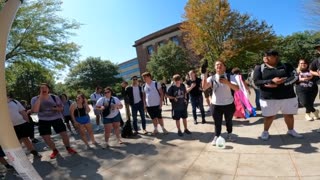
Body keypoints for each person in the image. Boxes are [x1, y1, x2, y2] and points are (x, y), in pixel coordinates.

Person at [253, 50, 303, 140]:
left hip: (288, 96)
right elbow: (256, 81)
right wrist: (271, 81)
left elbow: (295, 77)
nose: (265, 57)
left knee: (289, 115)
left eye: (268, 55)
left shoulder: (286, 66)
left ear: (276, 57)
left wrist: (282, 84)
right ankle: (265, 132)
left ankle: (291, 130)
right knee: (269, 116)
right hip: (269, 98)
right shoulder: (259, 68)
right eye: (264, 55)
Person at [31, 83, 77, 159]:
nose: (44, 89)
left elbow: (61, 108)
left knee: (64, 134)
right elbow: (35, 111)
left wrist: (56, 109)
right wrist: (40, 98)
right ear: (39, 90)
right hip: (43, 120)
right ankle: (54, 150)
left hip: (56, 118)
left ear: (48, 89)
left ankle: (68, 148)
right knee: (46, 138)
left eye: (45, 87)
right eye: (41, 88)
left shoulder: (54, 97)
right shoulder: (34, 99)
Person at [202, 60, 239, 145]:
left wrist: (227, 82)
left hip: (229, 104)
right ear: (215, 67)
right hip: (216, 105)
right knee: (217, 122)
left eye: (220, 64)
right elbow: (204, 87)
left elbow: (237, 89)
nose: (219, 66)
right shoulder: (212, 78)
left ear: (224, 67)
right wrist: (204, 74)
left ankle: (229, 134)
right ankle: (217, 136)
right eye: (217, 65)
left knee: (228, 121)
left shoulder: (230, 77)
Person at [7, 94, 41, 158]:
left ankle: (34, 152)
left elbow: (23, 112)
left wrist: (27, 122)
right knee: (16, 142)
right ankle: (17, 157)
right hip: (10, 127)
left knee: (26, 139)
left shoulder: (15, 102)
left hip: (22, 124)